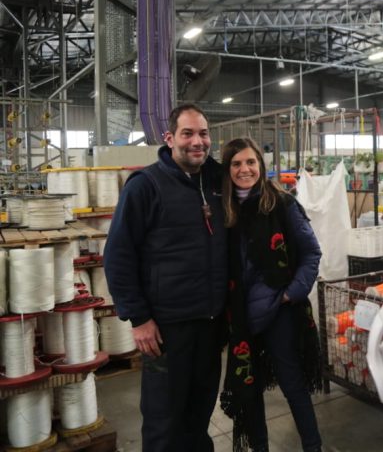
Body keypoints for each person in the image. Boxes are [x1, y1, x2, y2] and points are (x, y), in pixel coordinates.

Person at [104, 104, 227, 451]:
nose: (197, 141)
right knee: (164, 421)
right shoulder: (146, 186)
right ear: (169, 138)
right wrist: (139, 318)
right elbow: (118, 256)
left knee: (199, 415)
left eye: (203, 133)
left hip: (211, 324)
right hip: (167, 329)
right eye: (188, 133)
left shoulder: (217, 183)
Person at [218, 138, 322, 452]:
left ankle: (313, 447)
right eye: (236, 163)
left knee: (293, 385)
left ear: (261, 166)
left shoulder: (282, 204)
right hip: (241, 316)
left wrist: (291, 294)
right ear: (227, 170)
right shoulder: (224, 211)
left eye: (251, 162)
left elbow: (311, 253)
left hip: (279, 310)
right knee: (249, 390)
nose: (244, 169)